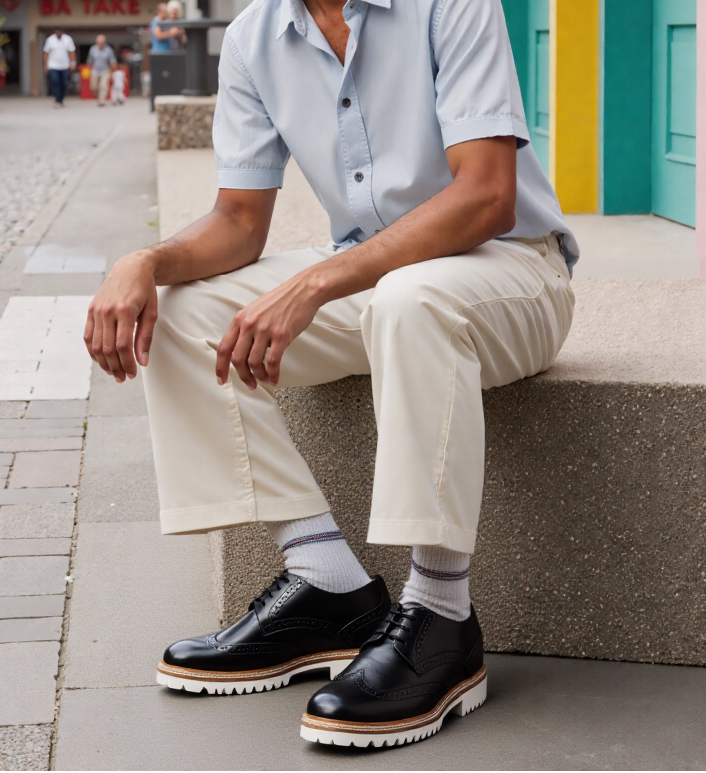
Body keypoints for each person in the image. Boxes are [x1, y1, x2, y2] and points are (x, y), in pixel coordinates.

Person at [84, 0, 579, 750]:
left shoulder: (450, 6)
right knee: (186, 310)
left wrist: (316, 283)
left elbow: (486, 193)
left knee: (414, 301)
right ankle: (325, 579)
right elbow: (240, 221)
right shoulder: (255, 36)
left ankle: (443, 616)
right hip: (376, 280)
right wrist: (142, 262)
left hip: (510, 272)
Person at [42, 28, 76, 108]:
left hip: (65, 65)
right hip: (53, 65)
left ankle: (61, 98)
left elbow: (71, 51)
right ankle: (57, 99)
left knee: (64, 83)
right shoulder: (50, 40)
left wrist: (73, 62)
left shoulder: (68, 39)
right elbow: (46, 53)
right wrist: (45, 65)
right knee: (55, 81)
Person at [87, 35, 117, 107]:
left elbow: (112, 61)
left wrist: (114, 70)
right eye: (99, 42)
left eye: (102, 42)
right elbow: (89, 61)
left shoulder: (109, 50)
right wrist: (89, 69)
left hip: (105, 71)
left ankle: (102, 101)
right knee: (94, 87)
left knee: (103, 86)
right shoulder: (93, 49)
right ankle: (99, 97)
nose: (101, 44)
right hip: (95, 70)